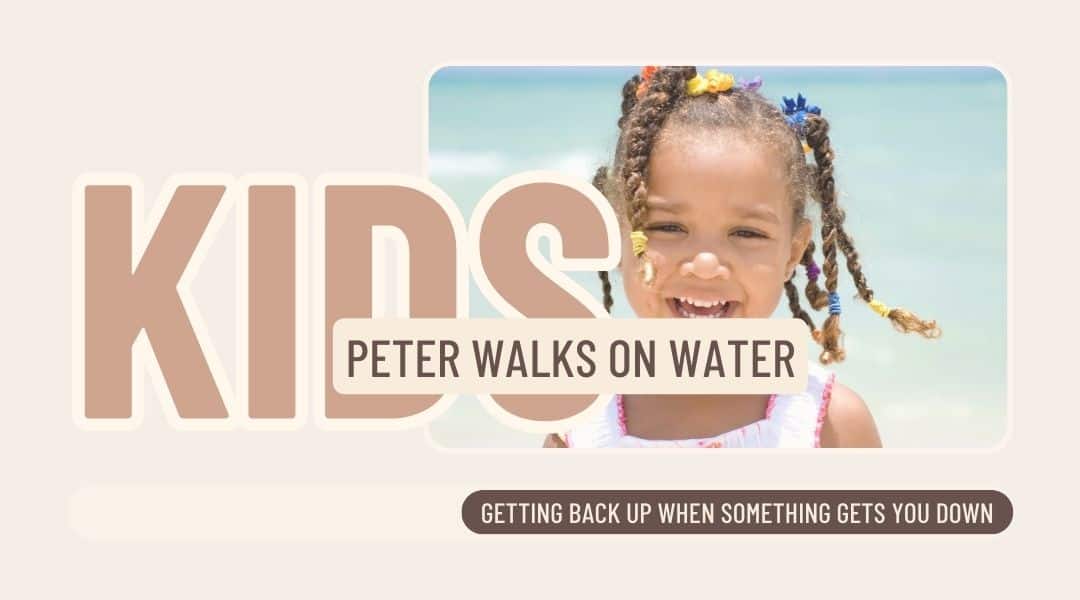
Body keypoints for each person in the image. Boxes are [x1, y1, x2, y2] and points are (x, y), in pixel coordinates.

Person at [546, 66, 940, 448]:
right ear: (615, 235)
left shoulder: (830, 426)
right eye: (668, 227)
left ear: (793, 251)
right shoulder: (579, 427)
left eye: (746, 232)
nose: (705, 264)